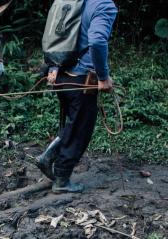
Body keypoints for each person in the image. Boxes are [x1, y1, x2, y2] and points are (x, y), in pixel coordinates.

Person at [36, 0, 118, 193]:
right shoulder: (104, 5)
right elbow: (97, 41)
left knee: (73, 123)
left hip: (60, 74)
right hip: (81, 78)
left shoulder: (70, 1)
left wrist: (53, 67)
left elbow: (57, 34)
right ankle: (62, 180)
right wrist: (103, 77)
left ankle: (48, 156)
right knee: (80, 128)